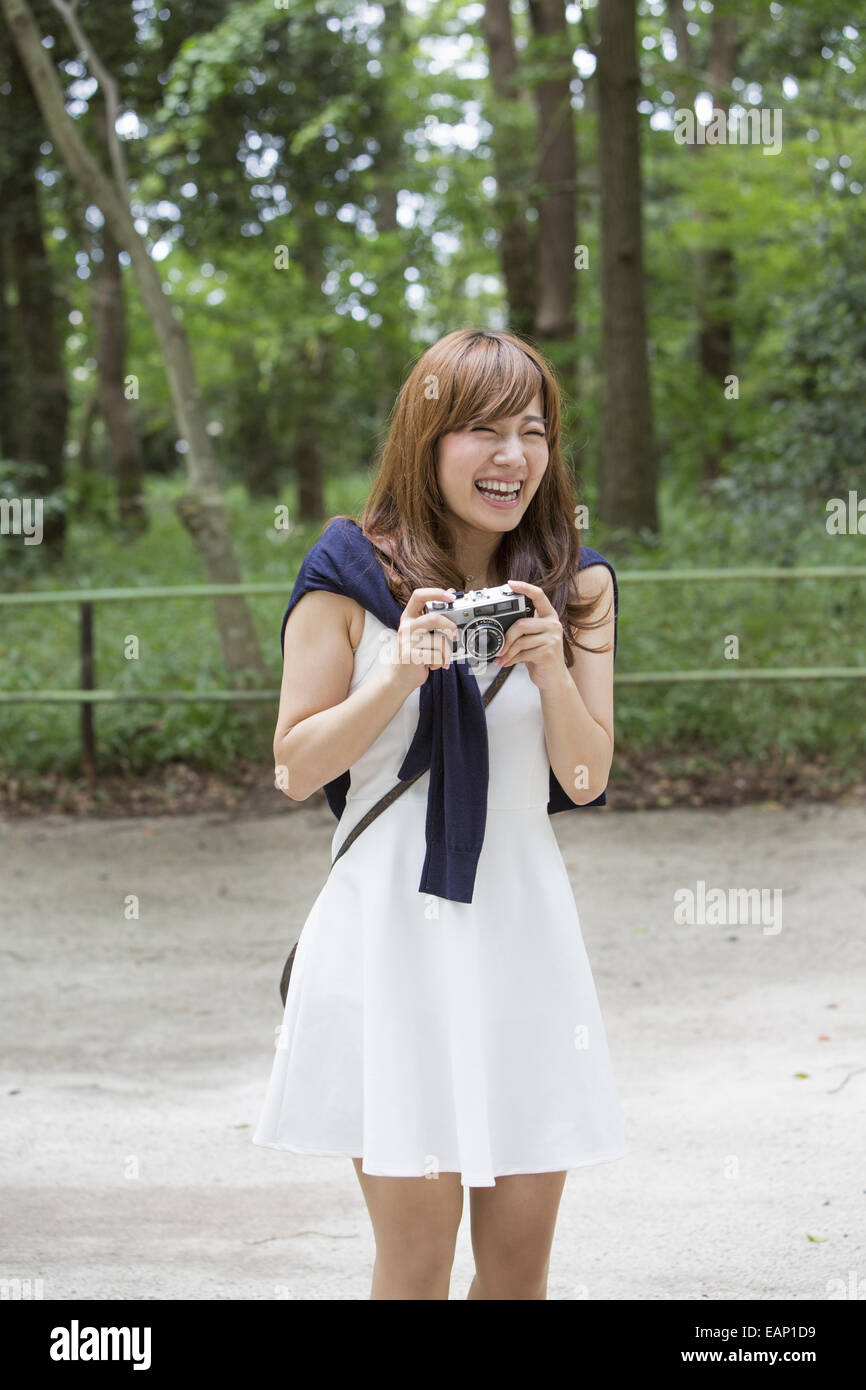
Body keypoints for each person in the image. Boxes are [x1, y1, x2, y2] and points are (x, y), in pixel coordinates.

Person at [252, 328, 627, 1300]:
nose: (512, 456)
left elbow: (583, 779)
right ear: (425, 439)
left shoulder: (574, 582)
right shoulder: (346, 570)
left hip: (522, 940)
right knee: (413, 1268)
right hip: (387, 946)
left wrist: (547, 666)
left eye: (532, 432)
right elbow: (295, 766)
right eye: (481, 430)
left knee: (515, 1271)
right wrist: (396, 672)